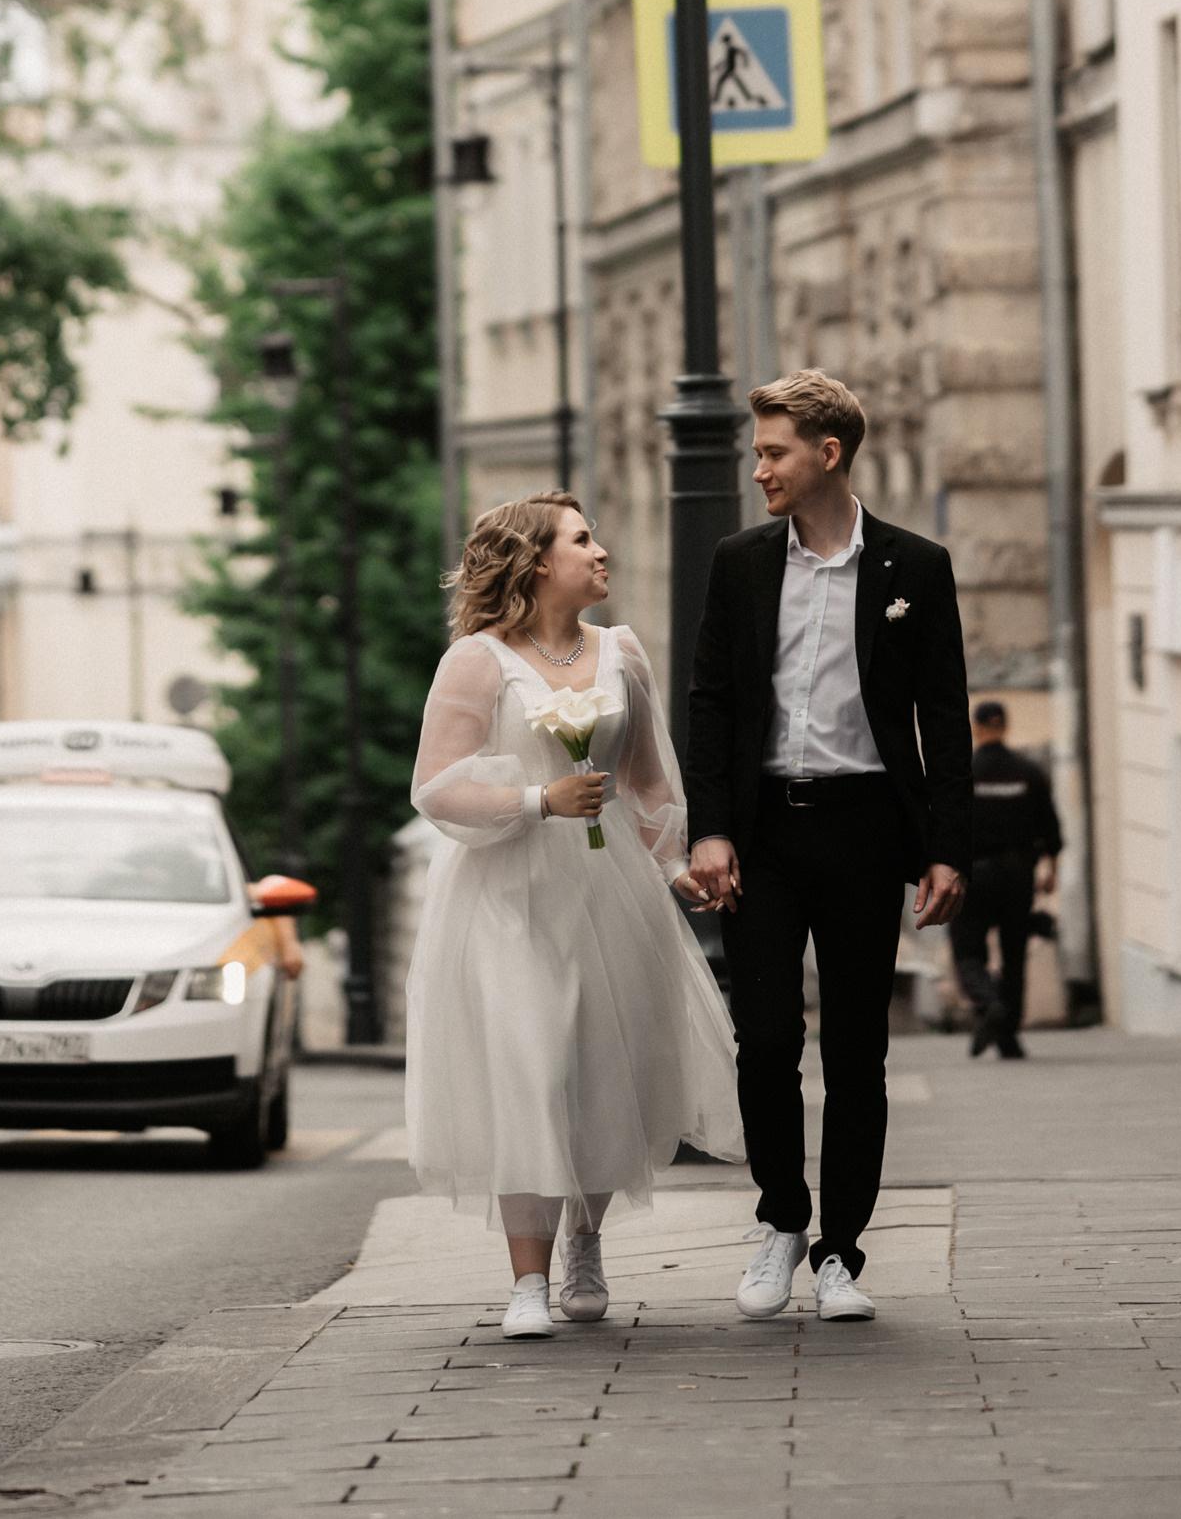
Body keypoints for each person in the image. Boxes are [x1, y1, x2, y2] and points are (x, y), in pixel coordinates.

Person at [405, 493, 742, 1340]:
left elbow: (647, 778)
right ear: (534, 561)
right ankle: (526, 1280)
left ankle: (584, 1244)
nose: (600, 552)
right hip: (508, 895)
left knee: (600, 1066)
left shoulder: (620, 652)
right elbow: (435, 786)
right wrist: (536, 799)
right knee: (531, 1064)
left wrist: (674, 865)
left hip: (608, 887)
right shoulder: (476, 661)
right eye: (581, 540)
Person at [685, 369, 972, 1326]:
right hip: (764, 832)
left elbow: (944, 717)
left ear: (828, 453)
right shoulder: (739, 561)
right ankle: (780, 1218)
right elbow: (711, 702)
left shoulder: (913, 567)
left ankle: (840, 1249)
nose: (758, 469)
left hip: (863, 829)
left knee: (857, 1050)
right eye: (756, 452)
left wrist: (946, 848)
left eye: (773, 453)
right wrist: (710, 828)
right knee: (766, 1038)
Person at [949, 698, 1064, 1060]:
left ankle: (988, 1001)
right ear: (1005, 726)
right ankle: (1009, 1039)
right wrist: (1051, 873)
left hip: (974, 875)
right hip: (1019, 875)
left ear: (977, 728)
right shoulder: (1028, 771)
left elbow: (948, 824)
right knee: (1014, 956)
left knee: (968, 952)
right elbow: (1051, 830)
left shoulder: (964, 772)